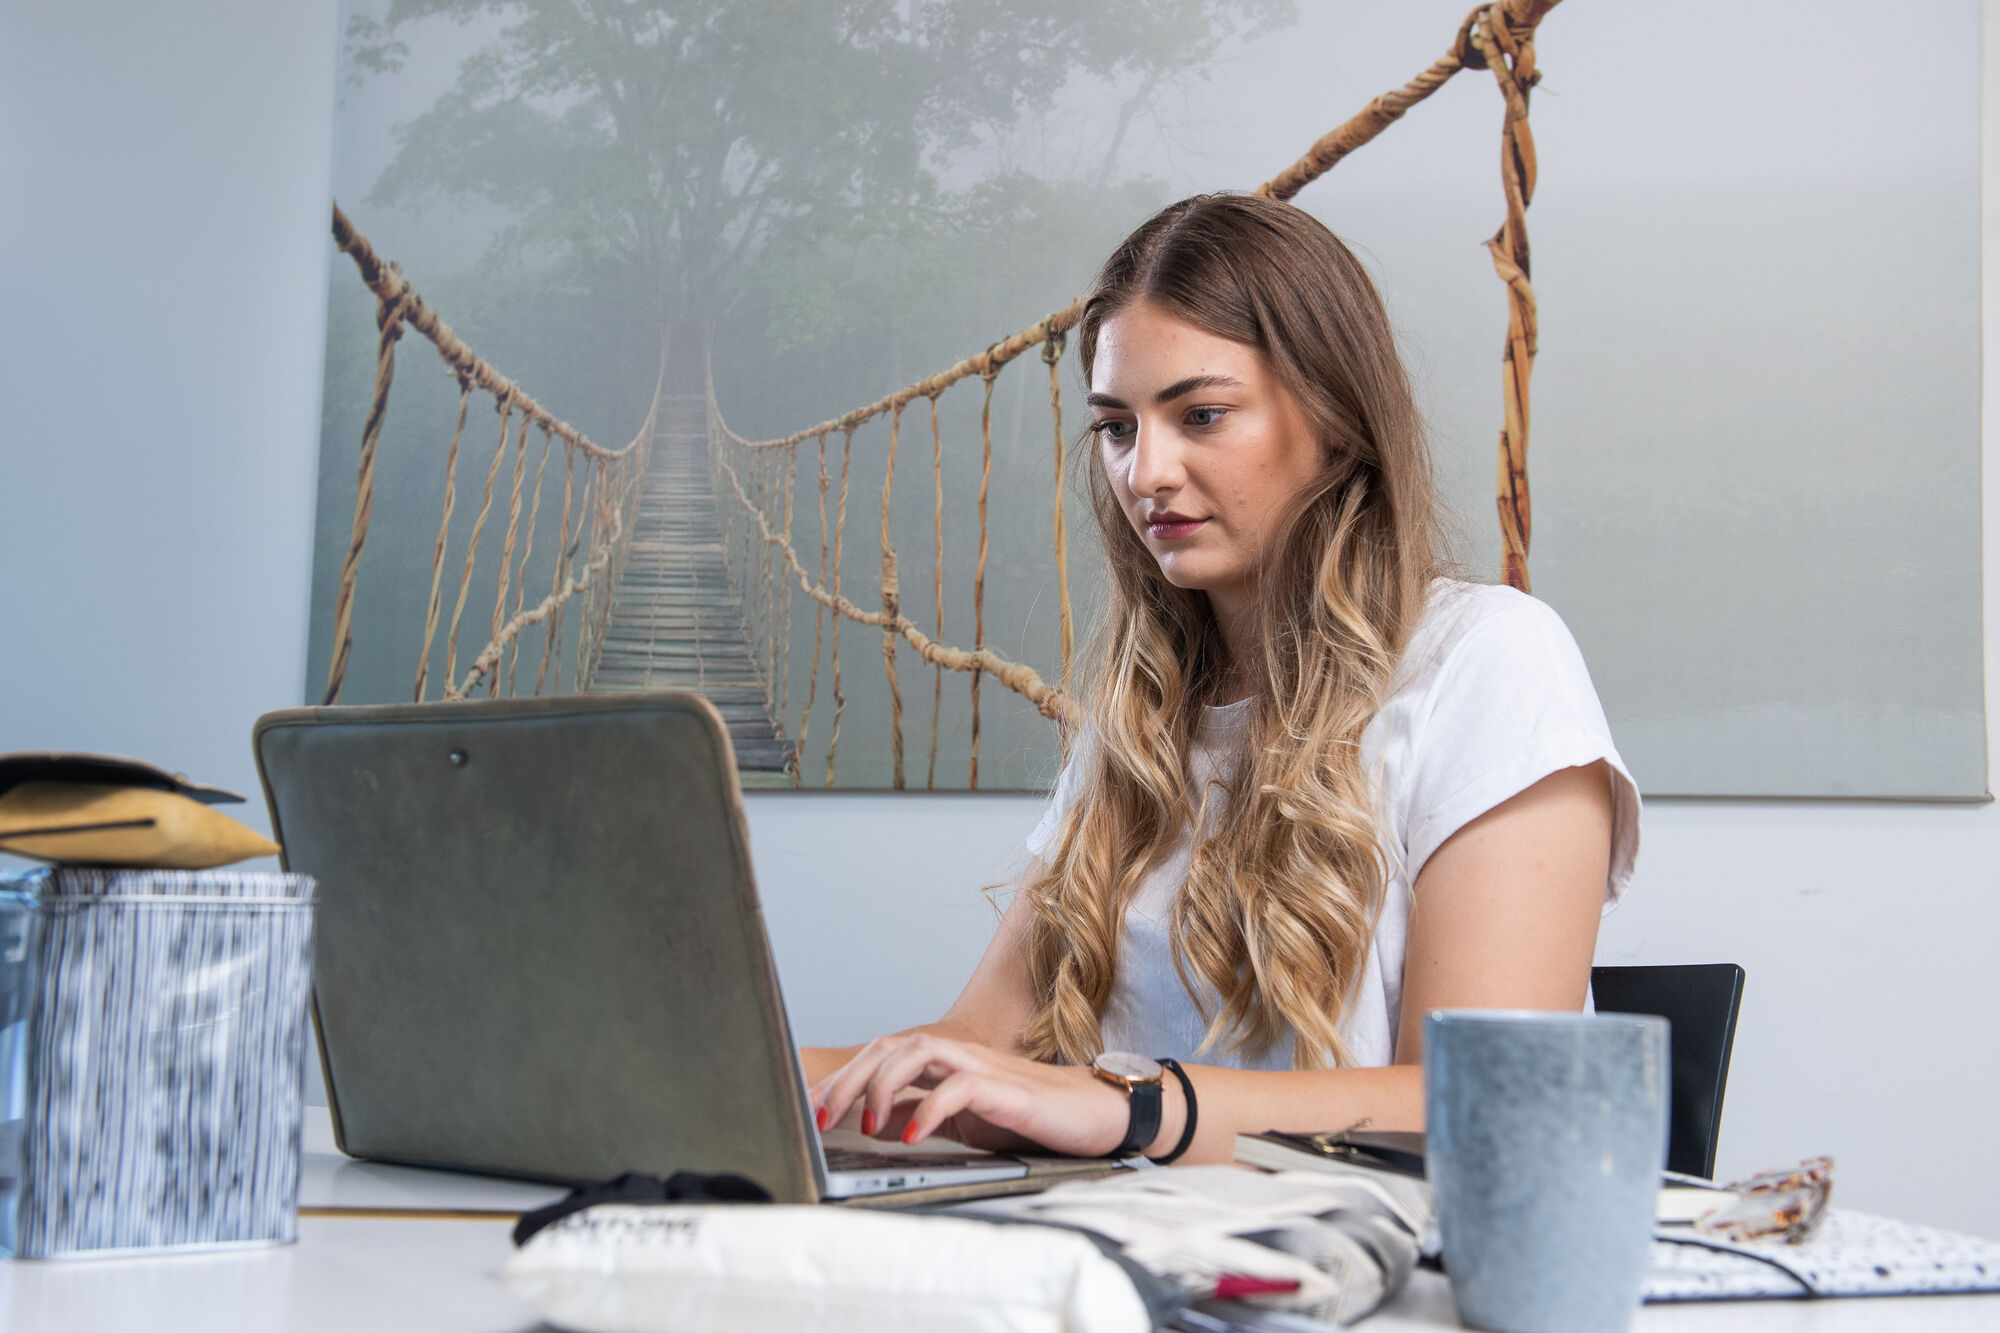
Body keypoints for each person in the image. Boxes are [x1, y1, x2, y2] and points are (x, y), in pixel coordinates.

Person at [806, 192, 1640, 1166]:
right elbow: (973, 1053)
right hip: (1129, 1263)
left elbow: (1492, 1102)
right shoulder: (1144, 712)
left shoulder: (1488, 657)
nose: (1144, 471)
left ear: (1331, 412)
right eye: (1115, 428)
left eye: (1199, 415)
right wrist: (644, 1070)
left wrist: (1130, 1108)